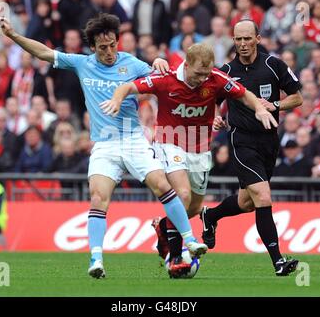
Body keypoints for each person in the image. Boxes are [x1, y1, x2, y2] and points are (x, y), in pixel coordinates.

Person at [0, 13, 208, 279]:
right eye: (103, 48)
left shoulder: (131, 63)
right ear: (93, 47)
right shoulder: (82, 64)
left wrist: (158, 60)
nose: (110, 52)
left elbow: (163, 78)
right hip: (104, 145)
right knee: (98, 198)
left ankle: (189, 241)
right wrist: (13, 35)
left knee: (162, 185)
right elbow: (44, 53)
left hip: (132, 139)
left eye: (113, 45)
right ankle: (96, 260)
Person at [101, 43, 278, 275]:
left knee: (193, 208)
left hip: (200, 148)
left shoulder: (215, 78)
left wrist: (260, 109)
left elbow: (244, 94)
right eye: (197, 73)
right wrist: (116, 99)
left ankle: (164, 227)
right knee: (182, 195)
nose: (201, 79)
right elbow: (128, 86)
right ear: (186, 63)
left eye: (205, 73)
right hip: (169, 141)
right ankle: (176, 258)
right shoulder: (166, 78)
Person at [201, 20, 303, 276]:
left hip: (269, 141)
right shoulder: (225, 70)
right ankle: (278, 261)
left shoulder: (273, 65)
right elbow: (212, 98)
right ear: (233, 41)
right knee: (263, 196)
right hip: (241, 140)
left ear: (257, 38)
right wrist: (215, 115)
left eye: (247, 39)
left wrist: (275, 106)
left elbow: (297, 97)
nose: (243, 44)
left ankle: (210, 217)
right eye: (238, 40)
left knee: (247, 202)